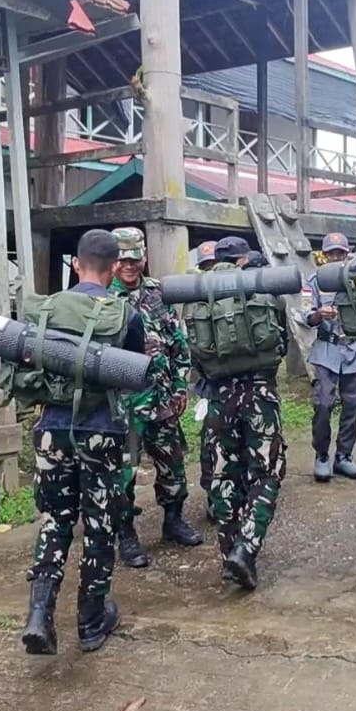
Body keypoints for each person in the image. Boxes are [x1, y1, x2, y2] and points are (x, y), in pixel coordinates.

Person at [22, 229, 144, 656]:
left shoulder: (47, 308)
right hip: (102, 430)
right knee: (99, 524)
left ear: (76, 264)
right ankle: (91, 621)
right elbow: (132, 371)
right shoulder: (125, 313)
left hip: (52, 428)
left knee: (55, 520)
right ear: (113, 269)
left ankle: (39, 615)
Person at [194, 234, 288, 589]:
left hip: (218, 394)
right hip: (260, 391)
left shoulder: (196, 293)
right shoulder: (263, 288)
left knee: (222, 476)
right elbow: (281, 343)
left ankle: (228, 553)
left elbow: (195, 354)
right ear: (244, 260)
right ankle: (246, 549)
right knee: (267, 471)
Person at [110, 227, 203, 569]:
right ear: (112, 262)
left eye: (135, 258)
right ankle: (127, 536)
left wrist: (180, 387)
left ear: (144, 258)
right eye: (122, 260)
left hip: (162, 400)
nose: (129, 266)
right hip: (123, 406)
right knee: (123, 474)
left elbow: (179, 346)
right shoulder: (102, 299)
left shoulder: (158, 293)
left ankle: (173, 521)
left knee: (173, 466)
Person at [296, 232, 356, 482]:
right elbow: (305, 315)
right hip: (326, 350)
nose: (336, 257)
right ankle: (322, 455)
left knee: (353, 406)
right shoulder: (314, 281)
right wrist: (319, 314)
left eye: (341, 253)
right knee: (323, 405)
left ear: (347, 254)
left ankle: (344, 457)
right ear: (323, 256)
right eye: (331, 253)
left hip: (353, 349)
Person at [188, 240, 221, 521]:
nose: (211, 272)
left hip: (236, 381)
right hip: (209, 384)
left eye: (214, 265)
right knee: (210, 441)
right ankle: (212, 493)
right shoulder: (195, 300)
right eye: (206, 267)